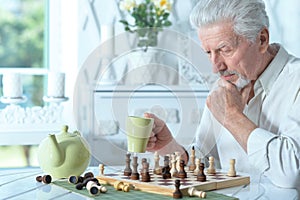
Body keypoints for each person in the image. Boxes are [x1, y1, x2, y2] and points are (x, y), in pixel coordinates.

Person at [145, 0, 300, 188]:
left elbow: (291, 175)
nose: (215, 67)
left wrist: (233, 118)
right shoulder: (226, 84)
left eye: (225, 50)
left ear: (262, 40)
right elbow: (205, 164)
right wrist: (168, 146)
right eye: (208, 53)